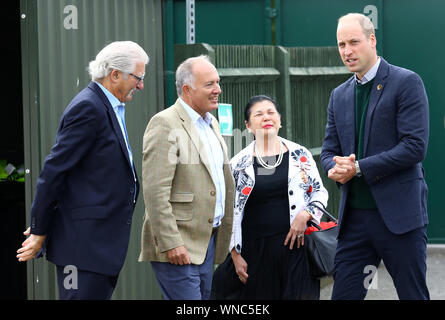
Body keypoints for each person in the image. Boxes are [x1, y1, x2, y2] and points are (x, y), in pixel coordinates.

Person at [16, 41, 149, 300]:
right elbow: (54, 170)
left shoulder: (110, 106)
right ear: (114, 75)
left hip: (98, 247)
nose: (141, 85)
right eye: (138, 77)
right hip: (83, 249)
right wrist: (39, 229)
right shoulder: (89, 107)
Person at [320, 13, 430, 300]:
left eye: (354, 42)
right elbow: (329, 151)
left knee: (413, 295)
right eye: (341, 44)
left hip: (400, 219)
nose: (347, 51)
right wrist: (336, 167)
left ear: (372, 40)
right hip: (354, 221)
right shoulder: (339, 95)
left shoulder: (406, 82)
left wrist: (357, 168)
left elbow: (414, 146)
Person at [211, 95, 329, 300]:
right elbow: (229, 211)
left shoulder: (300, 155)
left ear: (280, 120)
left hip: (297, 250)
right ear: (248, 126)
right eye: (259, 114)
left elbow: (319, 192)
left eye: (271, 112)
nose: (266, 117)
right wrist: (234, 254)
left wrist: (306, 214)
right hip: (255, 253)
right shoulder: (238, 164)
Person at [138, 55, 235, 300]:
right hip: (179, 245)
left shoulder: (210, 122)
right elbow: (155, 192)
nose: (218, 90)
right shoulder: (164, 123)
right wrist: (171, 243)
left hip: (207, 242)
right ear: (187, 89)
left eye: (218, 82)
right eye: (210, 84)